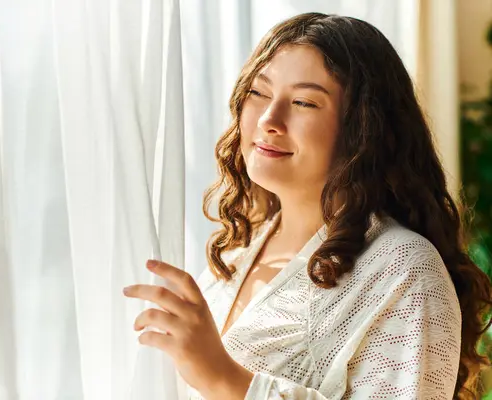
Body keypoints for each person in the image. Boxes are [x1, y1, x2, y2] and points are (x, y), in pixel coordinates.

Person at [123, 12, 492, 399]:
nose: (269, 119)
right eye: (259, 92)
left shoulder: (404, 267)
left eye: (303, 102)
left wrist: (223, 379)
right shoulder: (235, 254)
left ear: (363, 129)